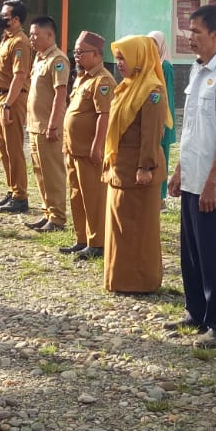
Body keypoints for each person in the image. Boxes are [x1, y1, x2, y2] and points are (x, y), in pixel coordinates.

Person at [166, 4, 216, 347]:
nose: (190, 38)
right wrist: (179, 171)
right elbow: (193, 130)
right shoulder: (197, 72)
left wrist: (212, 181)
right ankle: (196, 312)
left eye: (196, 32)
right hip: (193, 181)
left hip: (213, 184)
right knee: (192, 252)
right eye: (189, 31)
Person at [102, 34, 170, 294]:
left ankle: (140, 281)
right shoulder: (127, 86)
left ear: (139, 58)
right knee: (120, 228)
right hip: (120, 169)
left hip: (139, 172)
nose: (119, 63)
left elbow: (151, 134)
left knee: (138, 230)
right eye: (117, 58)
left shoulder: (151, 91)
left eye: (123, 58)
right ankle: (119, 279)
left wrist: (146, 167)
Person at [61, 31, 114, 259]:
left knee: (93, 197)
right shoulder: (83, 77)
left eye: (81, 52)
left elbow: (104, 115)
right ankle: (82, 238)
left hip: (88, 151)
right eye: (75, 51)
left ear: (96, 54)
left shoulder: (103, 81)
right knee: (76, 195)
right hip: (73, 149)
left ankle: (97, 242)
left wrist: (97, 145)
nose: (76, 56)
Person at [24, 16, 70, 233]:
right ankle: (48, 213)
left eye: (35, 34)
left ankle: (58, 217)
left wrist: (53, 125)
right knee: (40, 172)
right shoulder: (40, 58)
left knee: (52, 173)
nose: (31, 39)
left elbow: (60, 94)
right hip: (34, 125)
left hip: (48, 127)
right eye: (31, 34)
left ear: (49, 35)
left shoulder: (58, 60)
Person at [0, 0, 33, 214]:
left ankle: (20, 196)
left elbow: (20, 76)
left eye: (5, 16)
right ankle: (12, 189)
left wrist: (7, 104)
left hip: (11, 100)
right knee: (4, 150)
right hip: (0, 98)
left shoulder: (20, 43)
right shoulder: (6, 39)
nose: (1, 18)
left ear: (16, 20)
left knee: (14, 149)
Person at [147, 29, 177, 206]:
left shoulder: (165, 66)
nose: (151, 47)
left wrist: (164, 121)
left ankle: (161, 198)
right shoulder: (151, 64)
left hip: (164, 119)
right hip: (153, 117)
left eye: (154, 44)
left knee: (162, 157)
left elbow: (167, 96)